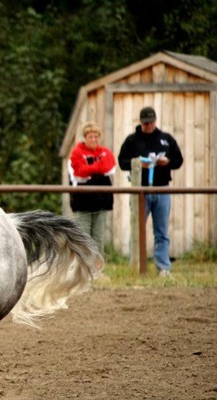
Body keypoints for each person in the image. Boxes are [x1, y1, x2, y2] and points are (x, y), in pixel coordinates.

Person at [118, 106, 183, 278]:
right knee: (137, 229)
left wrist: (167, 162)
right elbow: (122, 162)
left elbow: (178, 160)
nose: (149, 126)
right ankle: (136, 265)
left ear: (156, 120)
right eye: (146, 123)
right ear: (141, 122)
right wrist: (138, 163)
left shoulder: (166, 139)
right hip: (140, 191)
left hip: (162, 189)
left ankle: (163, 267)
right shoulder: (132, 140)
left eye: (151, 122)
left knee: (161, 231)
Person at [69, 121, 116, 253]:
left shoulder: (105, 151)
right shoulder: (77, 152)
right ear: (85, 137)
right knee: (82, 236)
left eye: (96, 136)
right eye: (90, 136)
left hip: (101, 200)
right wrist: (98, 167)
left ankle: (98, 269)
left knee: (98, 238)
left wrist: (90, 168)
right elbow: (79, 171)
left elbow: (109, 166)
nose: (94, 139)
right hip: (82, 200)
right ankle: (82, 268)